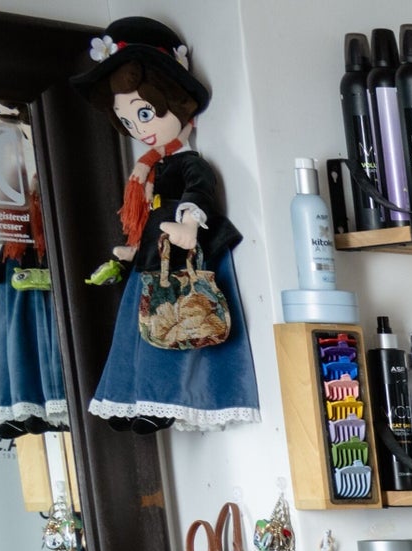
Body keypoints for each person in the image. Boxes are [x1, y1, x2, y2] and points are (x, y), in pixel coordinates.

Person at [77, 17, 257, 431]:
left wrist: (189, 224)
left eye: (144, 113)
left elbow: (200, 188)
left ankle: (166, 401)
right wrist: (133, 249)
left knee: (179, 326)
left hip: (182, 259)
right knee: (141, 332)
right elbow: (152, 212)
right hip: (153, 259)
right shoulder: (151, 169)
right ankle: (133, 396)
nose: (139, 129)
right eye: (128, 121)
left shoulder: (186, 162)